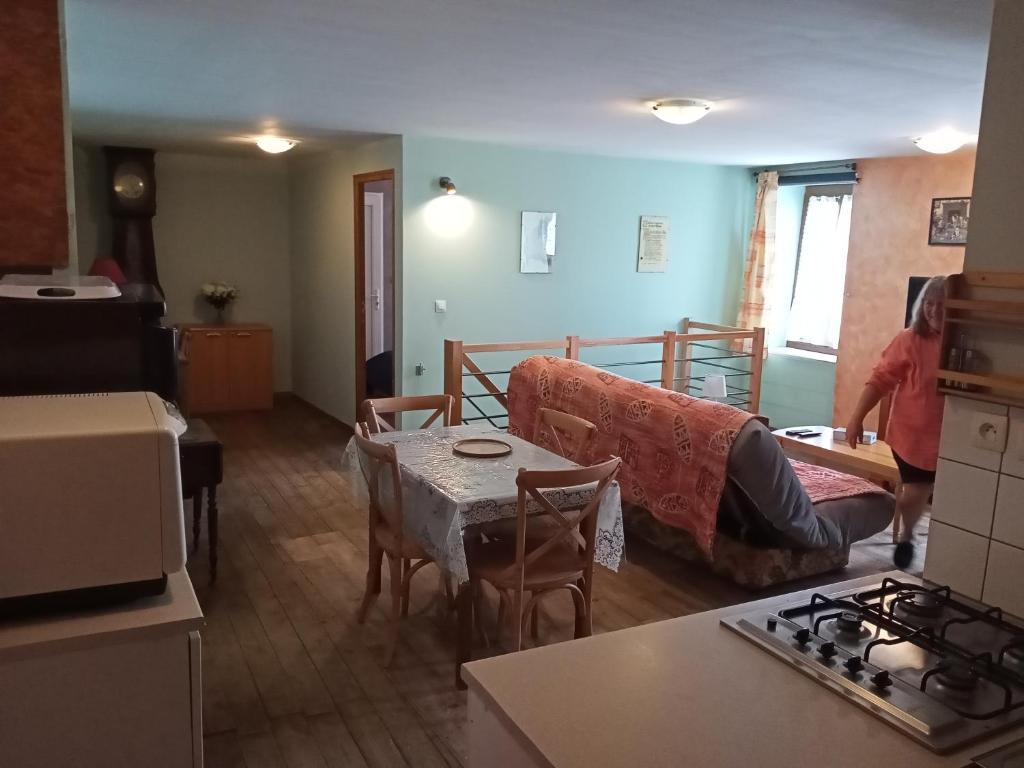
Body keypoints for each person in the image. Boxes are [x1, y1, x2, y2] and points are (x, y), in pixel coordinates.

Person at [845, 276, 946, 569]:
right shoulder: (909, 339)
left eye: (942, 304)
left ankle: (933, 547)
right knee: (914, 491)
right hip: (911, 434)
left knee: (939, 495)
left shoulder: (963, 340)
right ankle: (908, 536)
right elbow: (880, 381)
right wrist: (856, 418)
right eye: (929, 303)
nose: (934, 310)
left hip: (952, 438)